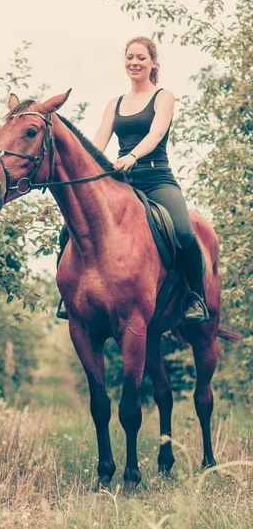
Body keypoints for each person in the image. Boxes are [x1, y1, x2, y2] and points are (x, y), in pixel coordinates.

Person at [56, 36, 209, 324]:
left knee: (185, 233)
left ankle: (194, 297)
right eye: (130, 57)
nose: (134, 63)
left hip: (156, 177)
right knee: (69, 229)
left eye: (141, 58)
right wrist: (77, 175)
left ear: (153, 63)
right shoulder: (115, 103)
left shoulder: (163, 96)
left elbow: (155, 134)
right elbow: (97, 143)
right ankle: (68, 294)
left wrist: (133, 156)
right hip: (122, 180)